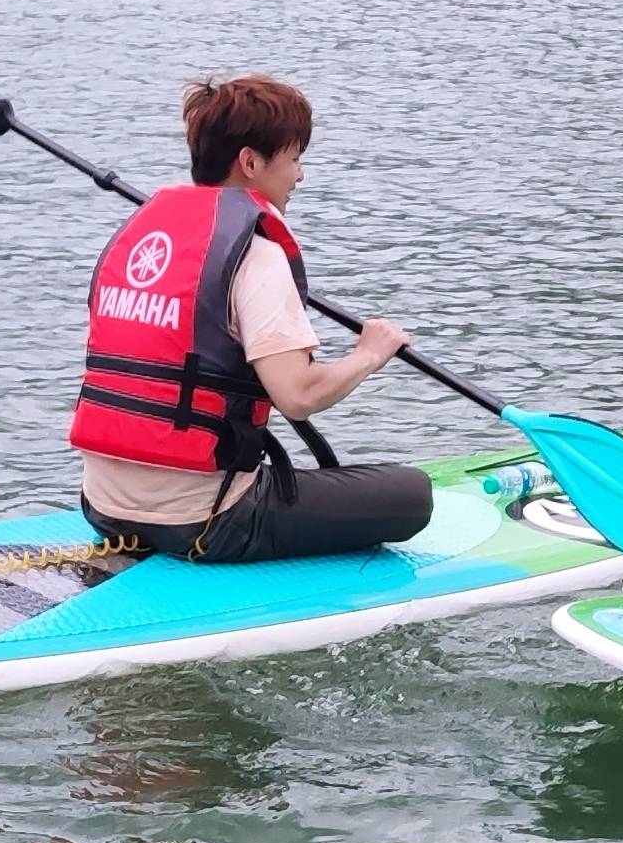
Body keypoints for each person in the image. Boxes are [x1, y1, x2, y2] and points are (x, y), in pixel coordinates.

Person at [71, 75, 436, 564]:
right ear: (250, 162)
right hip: (208, 523)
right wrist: (369, 354)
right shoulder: (256, 255)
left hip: (102, 509)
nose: (299, 176)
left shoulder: (134, 239)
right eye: (293, 159)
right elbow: (299, 396)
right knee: (413, 494)